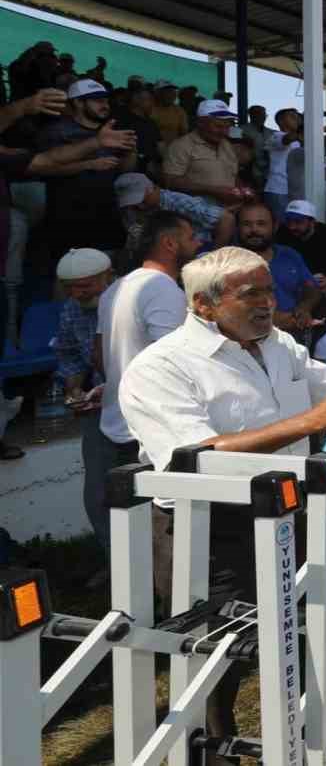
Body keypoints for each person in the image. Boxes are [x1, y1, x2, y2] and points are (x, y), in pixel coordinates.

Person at [118, 247, 326, 756]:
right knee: (217, 658)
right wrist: (309, 423)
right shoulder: (160, 368)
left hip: (293, 512)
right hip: (209, 532)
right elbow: (193, 455)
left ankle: (321, 745)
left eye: (270, 290)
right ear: (203, 306)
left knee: (313, 633)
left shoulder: (277, 344)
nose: (268, 303)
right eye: (251, 293)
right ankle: (215, 751)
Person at [92, 213, 198, 556]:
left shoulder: (115, 287)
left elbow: (98, 355)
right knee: (162, 536)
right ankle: (168, 604)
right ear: (170, 243)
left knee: (135, 538)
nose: (197, 244)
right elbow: (171, 361)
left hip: (118, 420)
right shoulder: (162, 287)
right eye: (191, 237)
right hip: (148, 426)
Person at [36, 79, 136, 256]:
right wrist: (88, 165)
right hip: (68, 218)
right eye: (97, 101)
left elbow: (126, 170)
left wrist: (131, 152)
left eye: (105, 100)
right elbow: (44, 169)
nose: (105, 105)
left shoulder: (112, 131)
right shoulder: (57, 131)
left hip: (107, 216)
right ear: (78, 102)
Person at [235, 201, 321, 337]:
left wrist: (304, 307)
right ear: (238, 228)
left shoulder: (290, 255)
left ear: (274, 227)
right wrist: (277, 320)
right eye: (247, 224)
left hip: (294, 333)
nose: (254, 230)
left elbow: (312, 288)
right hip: (250, 337)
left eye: (261, 224)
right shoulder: (228, 262)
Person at [52, 247, 113, 405]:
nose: (76, 294)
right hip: (103, 396)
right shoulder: (72, 308)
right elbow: (70, 355)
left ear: (108, 276)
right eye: (69, 288)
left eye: (84, 286)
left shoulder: (131, 300)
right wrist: (74, 389)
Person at [160, 99, 246, 203]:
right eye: (218, 126)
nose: (224, 132)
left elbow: (232, 175)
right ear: (200, 123)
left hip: (231, 208)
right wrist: (213, 191)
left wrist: (242, 189)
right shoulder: (181, 146)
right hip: (197, 211)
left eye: (227, 127)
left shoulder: (227, 145)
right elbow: (171, 182)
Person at [277, 199, 326, 290]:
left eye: (298, 222)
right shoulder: (282, 232)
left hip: (321, 281)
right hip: (293, 280)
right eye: (289, 221)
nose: (292, 226)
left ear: (312, 222)